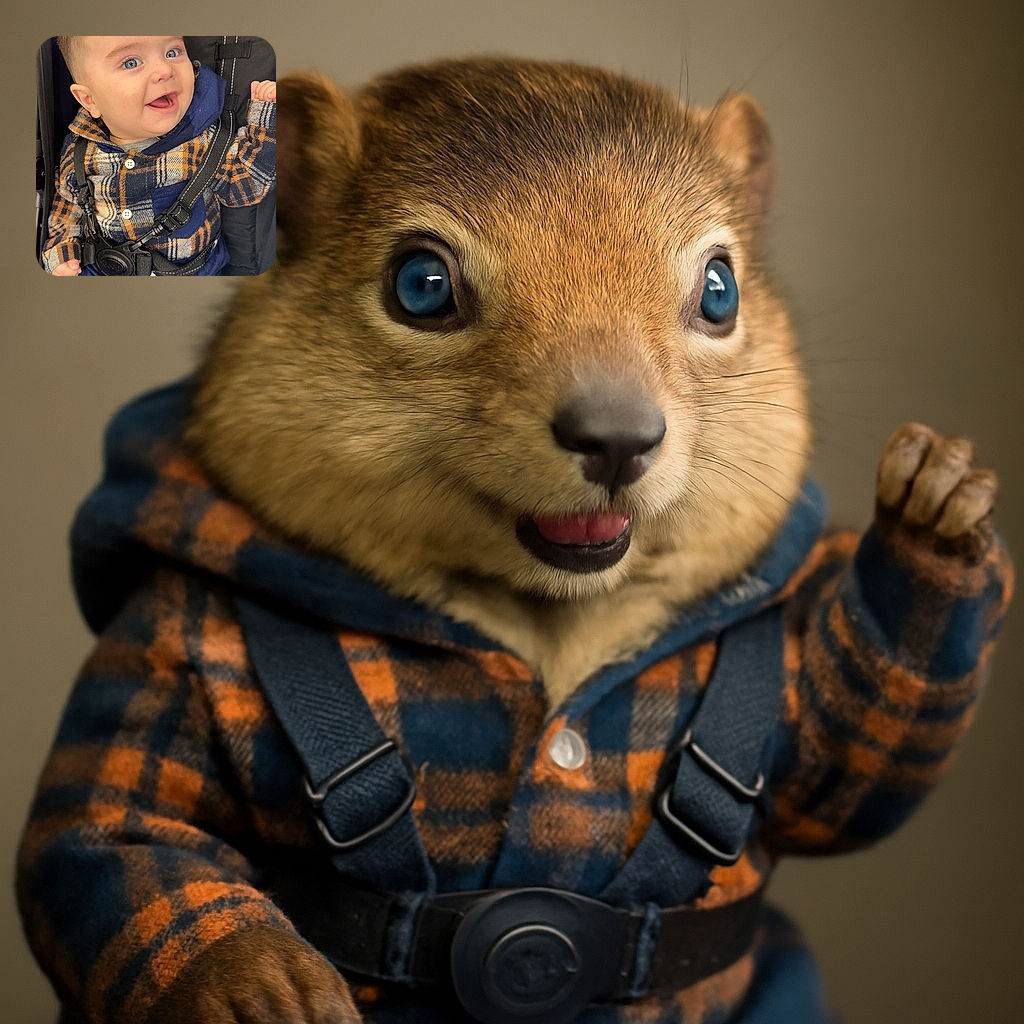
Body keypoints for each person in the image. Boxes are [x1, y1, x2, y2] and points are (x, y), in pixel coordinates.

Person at [41, 35, 275, 276]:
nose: (164, 70)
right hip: (101, 269)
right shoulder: (80, 148)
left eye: (173, 52)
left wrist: (265, 120)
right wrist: (62, 253)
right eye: (131, 62)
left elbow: (246, 186)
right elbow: (68, 206)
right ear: (89, 99)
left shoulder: (202, 140)